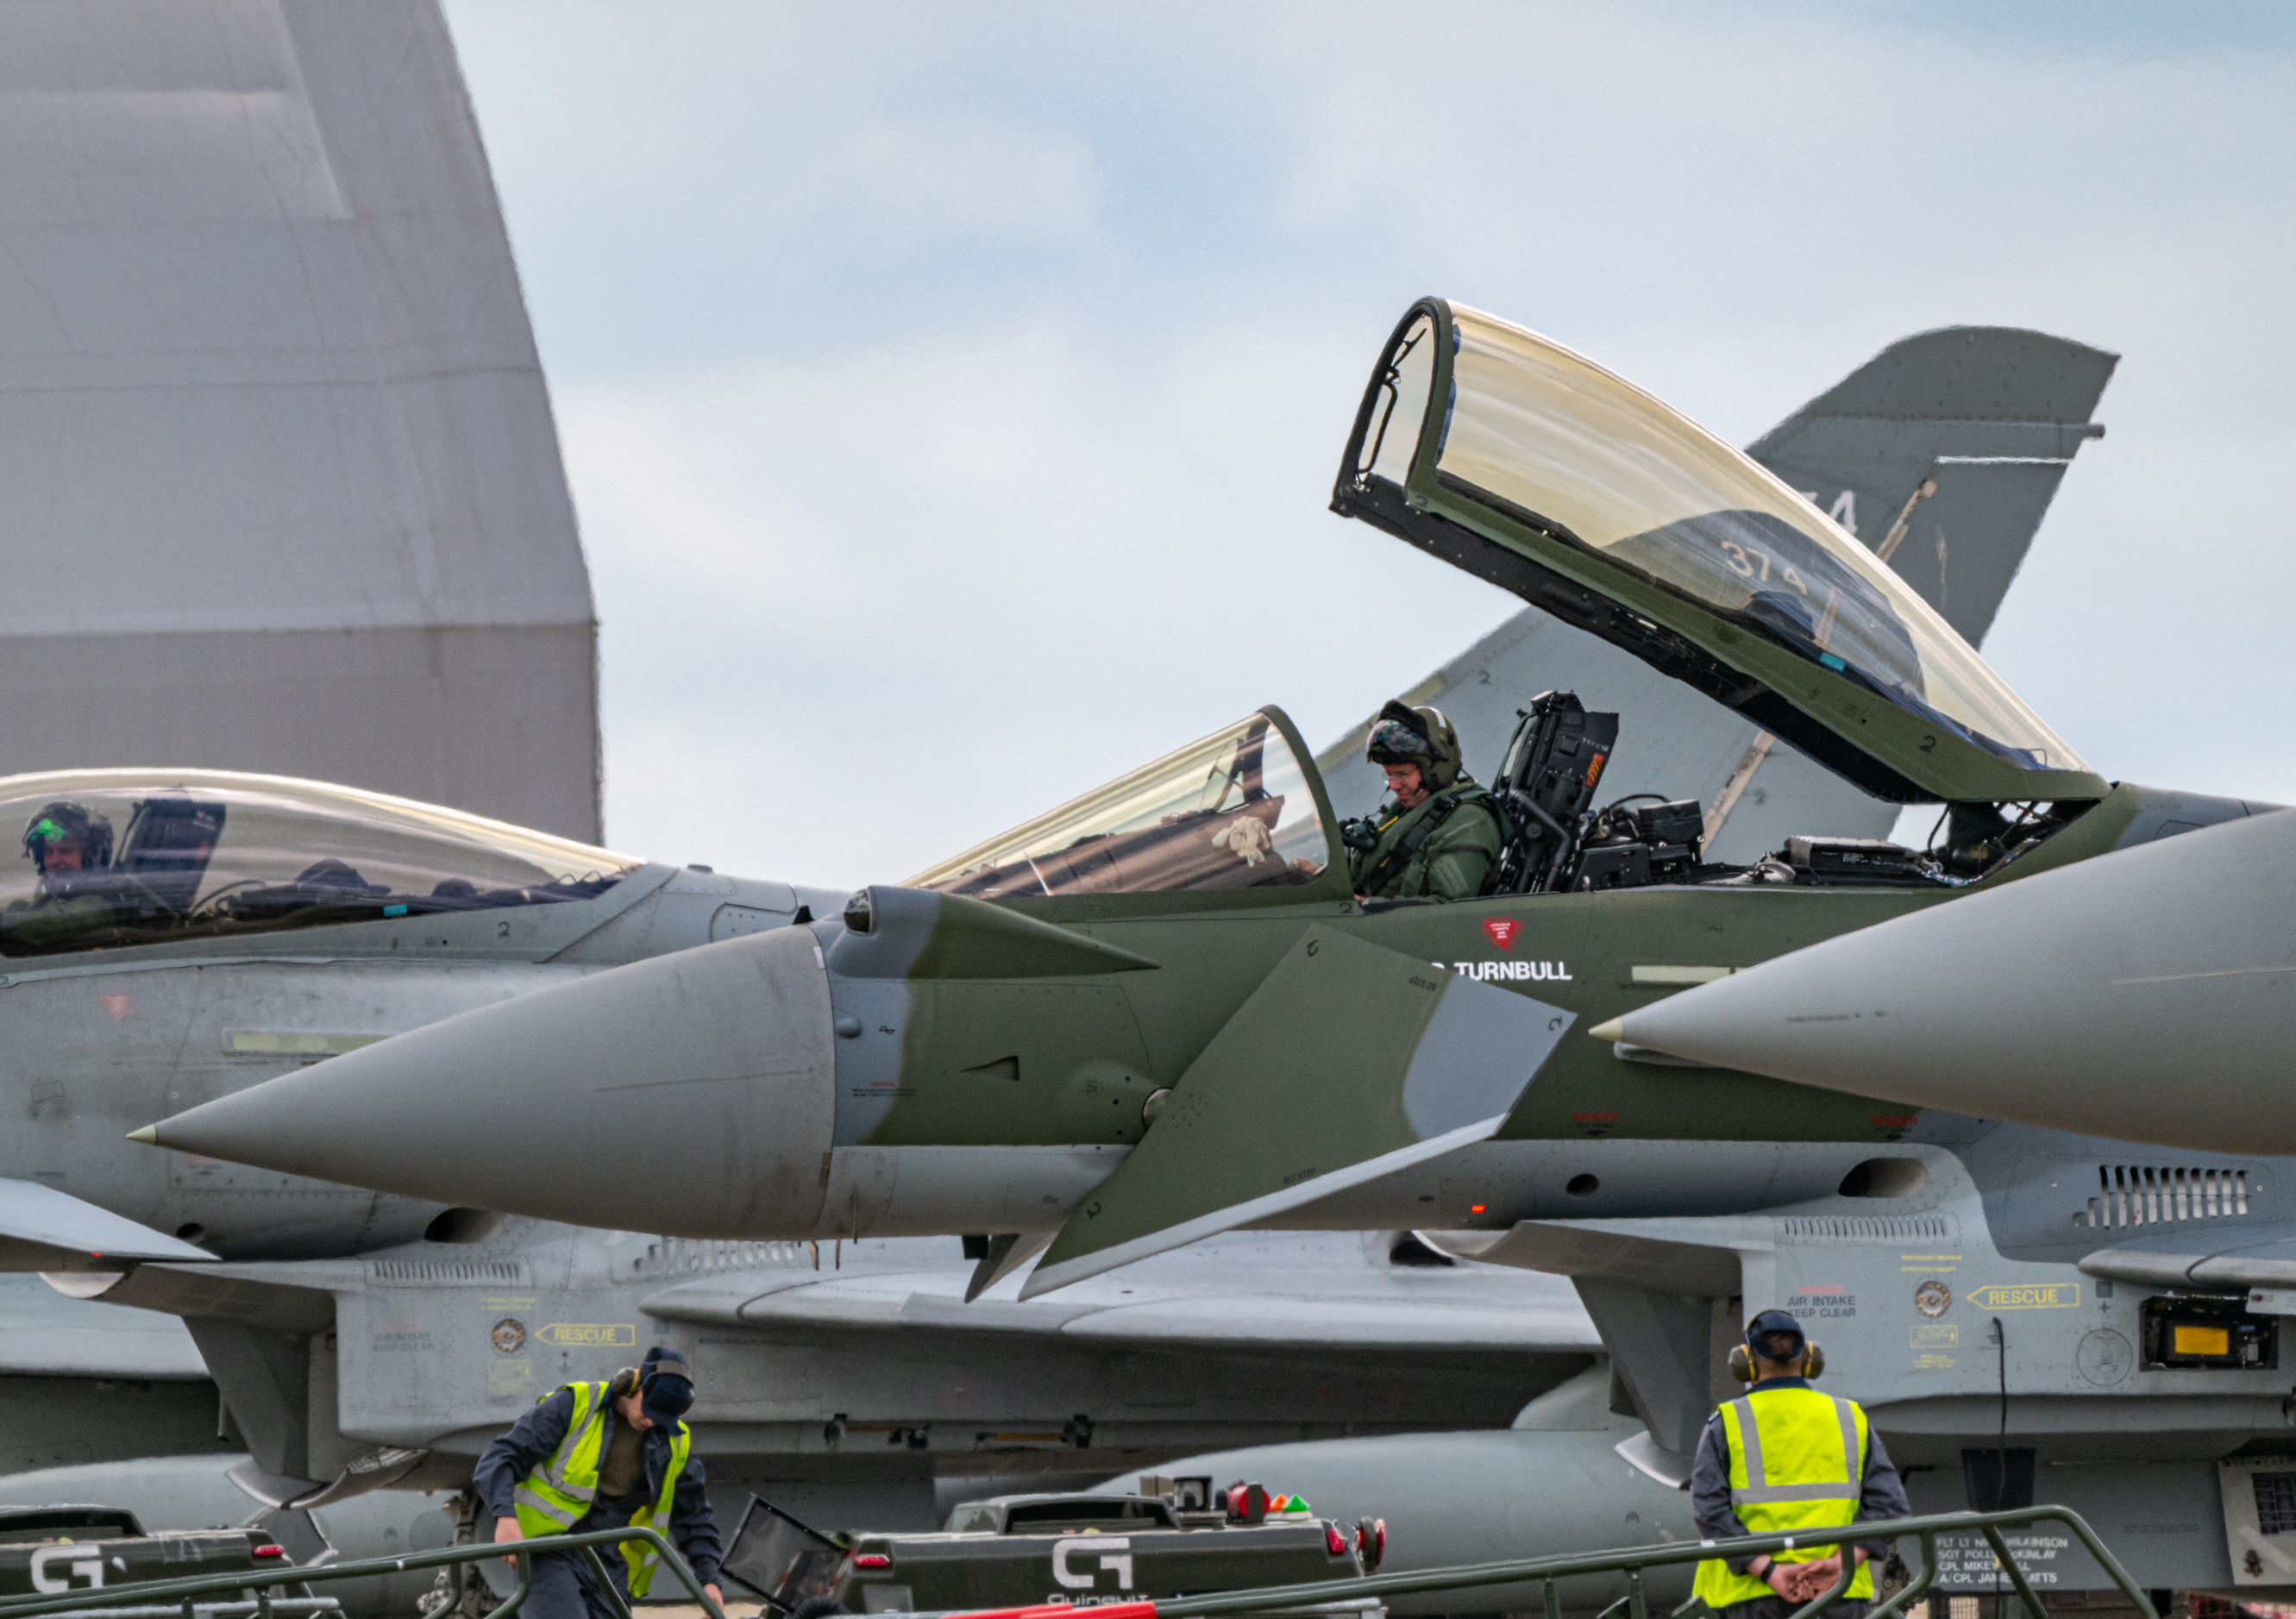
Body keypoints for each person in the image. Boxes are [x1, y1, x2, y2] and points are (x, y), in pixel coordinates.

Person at [475, 1346, 724, 1619]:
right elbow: (500, 1457)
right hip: (548, 1548)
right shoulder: (577, 1405)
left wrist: (709, 1580)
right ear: (633, 1385)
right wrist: (505, 1517)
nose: (652, 1421)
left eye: (662, 1418)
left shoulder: (676, 1442)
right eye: (649, 1409)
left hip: (608, 1554)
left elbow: (694, 1516)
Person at [1691, 1310, 1910, 1619]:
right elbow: (1891, 1507)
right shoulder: (1849, 1418)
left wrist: (1769, 1571)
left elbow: (1709, 1511)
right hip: (1839, 1596)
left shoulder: (1726, 1422)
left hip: (1751, 1598)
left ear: (1745, 1363)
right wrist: (1840, 1566)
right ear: (1809, 1358)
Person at [1344, 701, 1503, 901]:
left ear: (1436, 768)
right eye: (1389, 775)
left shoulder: (1469, 821)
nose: (1394, 785)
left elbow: (1447, 912)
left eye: (1402, 774)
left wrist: (1363, 906)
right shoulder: (1410, 809)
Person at [4, 801, 120, 947]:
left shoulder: (96, 904)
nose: (54, 860)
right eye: (49, 852)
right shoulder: (59, 896)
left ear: (91, 857)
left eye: (66, 851)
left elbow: (41, 923)